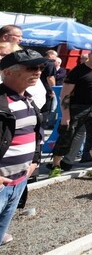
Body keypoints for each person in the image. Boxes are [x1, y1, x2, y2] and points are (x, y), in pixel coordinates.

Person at [48, 45, 92, 178]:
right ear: (90, 55)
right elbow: (65, 94)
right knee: (67, 135)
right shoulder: (78, 71)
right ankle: (56, 166)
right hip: (78, 107)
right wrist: (65, 115)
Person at [0, 49, 44, 245]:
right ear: (8, 71)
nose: (38, 72)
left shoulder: (28, 99)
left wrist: (35, 161)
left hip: (19, 182)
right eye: (32, 68)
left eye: (40, 67)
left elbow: (36, 133)